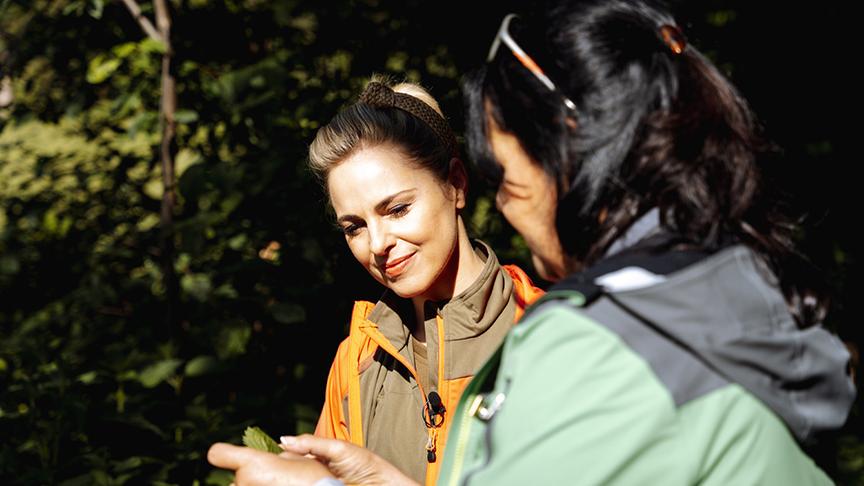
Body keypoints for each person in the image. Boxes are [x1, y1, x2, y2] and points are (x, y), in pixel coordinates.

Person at [209, 1, 855, 484]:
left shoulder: (572, 338)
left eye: (510, 181)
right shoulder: (725, 290)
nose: (378, 242)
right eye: (353, 225)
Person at [212, 75, 542, 485]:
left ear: (455, 184)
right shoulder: (357, 358)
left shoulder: (547, 336)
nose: (378, 243)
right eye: (354, 227)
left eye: (398, 209)